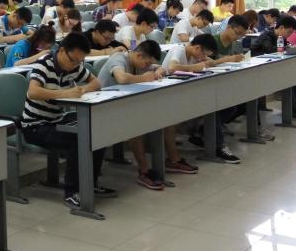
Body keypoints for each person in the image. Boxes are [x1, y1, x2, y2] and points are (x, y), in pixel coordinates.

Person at [20, 33, 115, 208]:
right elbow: (33, 92)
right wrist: (64, 93)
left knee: (96, 130)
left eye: (80, 61)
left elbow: (96, 83)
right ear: (62, 51)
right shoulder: (44, 65)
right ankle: (72, 192)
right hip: (36, 126)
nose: (76, 65)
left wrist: (82, 90)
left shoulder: (74, 65)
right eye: (73, 60)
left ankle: (90, 183)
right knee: (78, 138)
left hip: (57, 120)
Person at [97, 41, 198, 188]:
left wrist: (158, 71)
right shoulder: (119, 58)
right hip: (103, 109)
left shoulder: (139, 62)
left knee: (165, 119)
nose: (147, 66)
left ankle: (173, 160)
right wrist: (144, 78)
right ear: (139, 55)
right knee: (136, 127)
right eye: (147, 62)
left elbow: (159, 68)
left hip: (125, 105)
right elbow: (122, 78)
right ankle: (144, 172)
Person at [162, 34, 241, 163]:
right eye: (203, 54)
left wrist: (230, 59)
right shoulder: (179, 50)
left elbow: (211, 62)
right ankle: (217, 146)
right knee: (213, 107)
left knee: (229, 107)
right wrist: (195, 67)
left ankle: (203, 131)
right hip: (170, 95)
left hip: (188, 92)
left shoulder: (196, 54)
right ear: (197, 47)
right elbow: (172, 68)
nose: (203, 57)